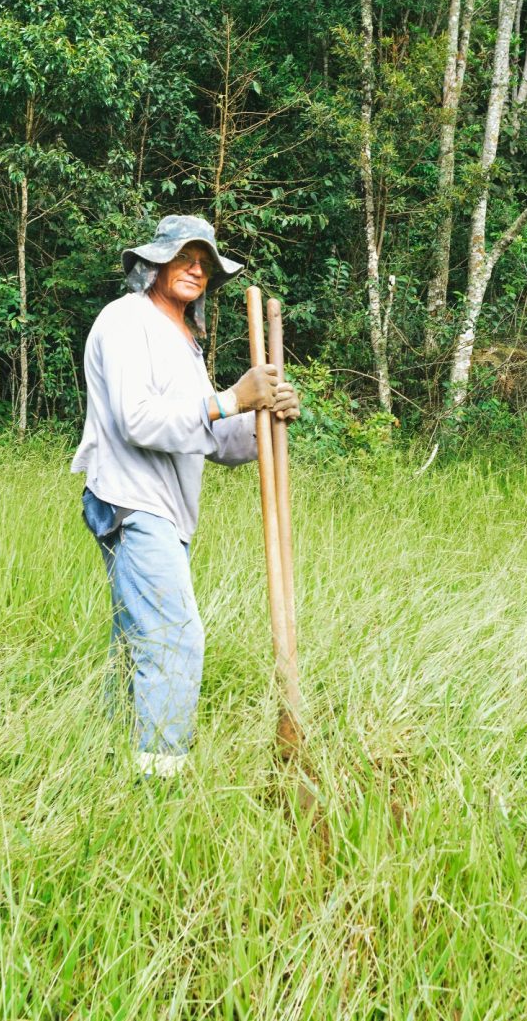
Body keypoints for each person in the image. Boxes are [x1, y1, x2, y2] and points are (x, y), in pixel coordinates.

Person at [71, 214, 300, 780]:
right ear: (154, 262)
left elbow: (213, 438)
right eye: (184, 256)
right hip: (131, 500)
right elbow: (138, 421)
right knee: (173, 639)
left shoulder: (186, 341)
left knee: (137, 645)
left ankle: (109, 766)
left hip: (165, 512)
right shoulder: (127, 319)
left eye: (205, 262)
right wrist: (229, 398)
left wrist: (264, 419)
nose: (196, 268)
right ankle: (158, 780)